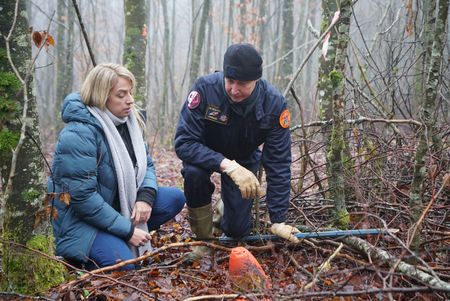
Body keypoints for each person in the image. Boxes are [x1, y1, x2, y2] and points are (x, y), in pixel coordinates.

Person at [49, 63, 185, 270]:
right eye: (121, 95)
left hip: (116, 206)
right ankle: (94, 253)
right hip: (80, 222)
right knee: (126, 267)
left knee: (174, 198)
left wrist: (145, 197)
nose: (130, 100)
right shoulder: (78, 134)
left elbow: (146, 164)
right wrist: (128, 231)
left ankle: (116, 239)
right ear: (101, 96)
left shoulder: (128, 123)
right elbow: (82, 198)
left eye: (130, 92)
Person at [174, 43, 299, 260]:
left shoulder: (274, 104)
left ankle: (225, 210)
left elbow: (278, 163)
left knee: (237, 230)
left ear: (256, 81)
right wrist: (227, 166)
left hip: (244, 158)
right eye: (230, 81)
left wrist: (278, 219)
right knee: (194, 174)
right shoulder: (204, 89)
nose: (234, 90)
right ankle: (204, 238)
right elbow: (184, 142)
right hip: (204, 154)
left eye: (242, 84)